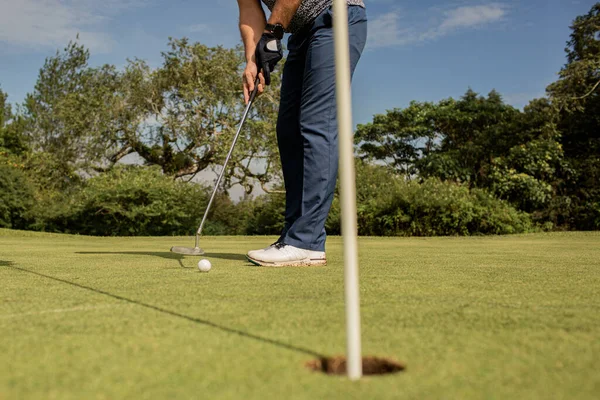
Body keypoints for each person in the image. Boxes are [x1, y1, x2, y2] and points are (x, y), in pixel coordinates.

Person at [237, 0, 367, 266]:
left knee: (316, 122)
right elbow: (249, 10)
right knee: (288, 130)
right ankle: (292, 235)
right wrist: (253, 60)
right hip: (302, 32)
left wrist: (272, 32)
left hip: (336, 15)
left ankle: (306, 241)